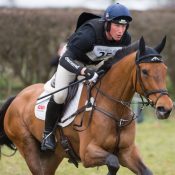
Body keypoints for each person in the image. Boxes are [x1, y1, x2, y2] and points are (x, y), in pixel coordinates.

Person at [41, 3, 133, 151]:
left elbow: (115, 60)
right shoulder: (88, 34)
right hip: (72, 62)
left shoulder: (125, 39)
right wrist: (83, 71)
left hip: (95, 64)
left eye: (124, 26)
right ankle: (48, 134)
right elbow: (64, 59)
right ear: (107, 23)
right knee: (60, 95)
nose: (121, 31)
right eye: (117, 25)